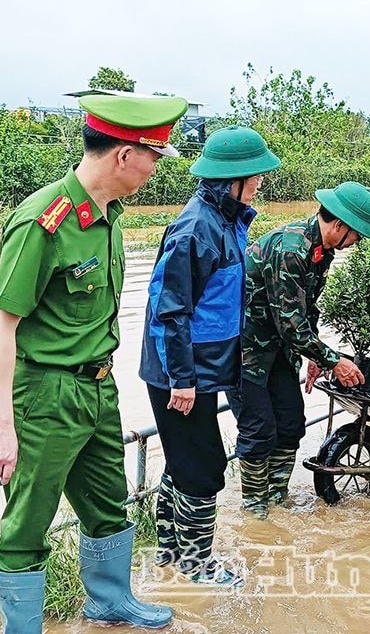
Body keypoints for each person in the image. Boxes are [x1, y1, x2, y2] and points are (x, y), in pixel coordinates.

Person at [0, 92, 188, 632]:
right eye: (154, 156)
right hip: (46, 395)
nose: (156, 169)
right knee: (27, 522)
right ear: (124, 155)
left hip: (98, 387)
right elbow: (2, 325)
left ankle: (109, 601)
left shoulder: (110, 217)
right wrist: (1, 423)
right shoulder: (43, 222)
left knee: (108, 502)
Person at [139, 126, 279, 585]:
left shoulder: (224, 221)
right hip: (182, 372)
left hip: (197, 369)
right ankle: (197, 566)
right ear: (232, 180)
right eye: (255, 176)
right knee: (204, 469)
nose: (260, 184)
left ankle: (168, 551)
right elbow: (171, 309)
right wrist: (182, 379)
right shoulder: (196, 227)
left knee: (186, 460)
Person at [227, 182, 370, 519]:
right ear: (340, 225)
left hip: (280, 350)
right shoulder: (291, 248)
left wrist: (315, 356)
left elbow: (306, 311)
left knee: (292, 423)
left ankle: (277, 500)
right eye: (357, 235)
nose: (356, 244)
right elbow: (289, 323)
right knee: (258, 430)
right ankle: (255, 512)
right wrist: (332, 360)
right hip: (246, 350)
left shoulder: (321, 251)